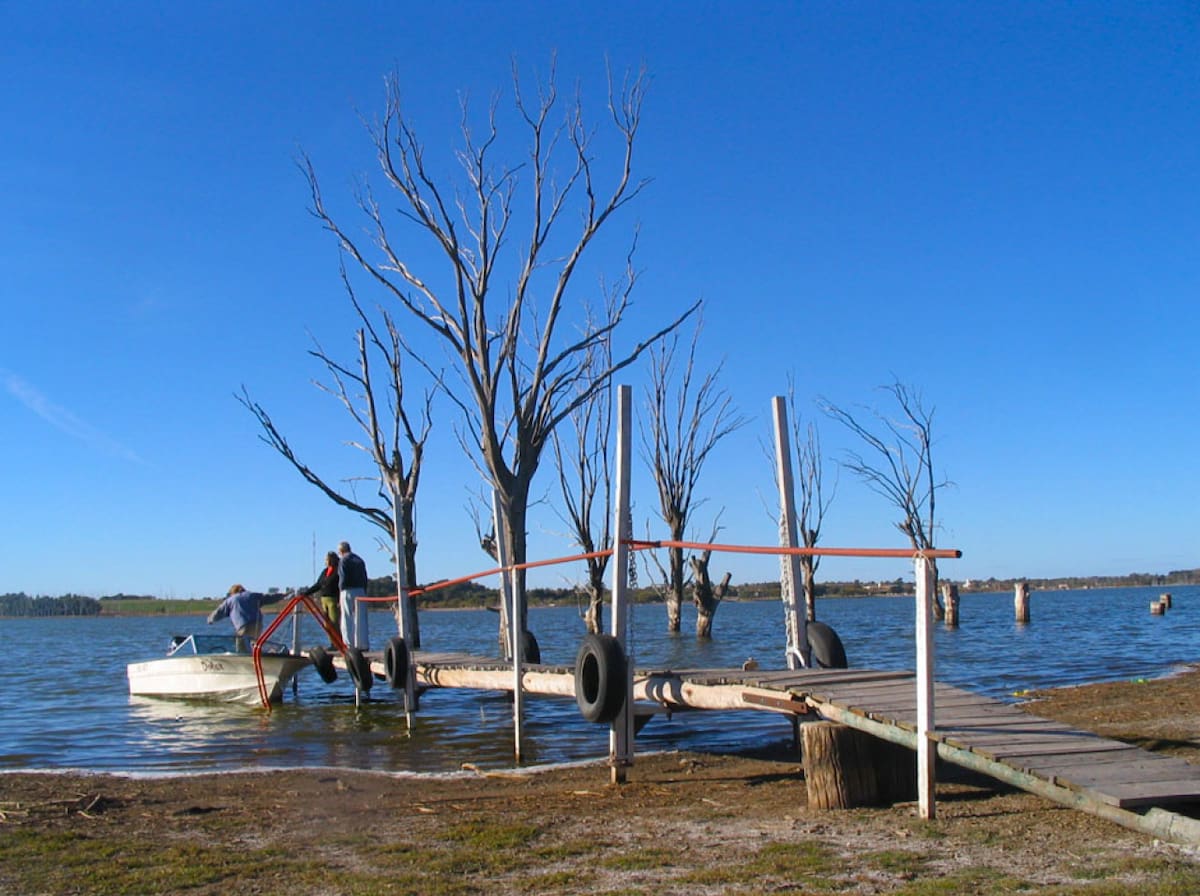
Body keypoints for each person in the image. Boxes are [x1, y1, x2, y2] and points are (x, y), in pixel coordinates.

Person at [207, 584, 287, 652]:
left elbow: (218, 612)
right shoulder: (252, 595)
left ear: (232, 592)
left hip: (244, 626)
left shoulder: (231, 600)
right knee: (254, 644)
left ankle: (244, 662)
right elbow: (270, 597)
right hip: (257, 625)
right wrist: (283, 595)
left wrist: (210, 619)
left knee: (241, 647)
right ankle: (258, 658)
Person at [302, 551, 341, 642]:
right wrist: (306, 593)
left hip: (333, 599)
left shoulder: (338, 570)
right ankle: (332, 642)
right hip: (324, 600)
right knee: (326, 623)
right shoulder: (325, 571)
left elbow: (340, 585)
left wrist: (339, 600)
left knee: (334, 622)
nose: (326, 561)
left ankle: (338, 643)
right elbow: (318, 585)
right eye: (326, 560)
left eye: (327, 559)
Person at [337, 541, 369, 649]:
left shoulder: (343, 560)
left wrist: (340, 590)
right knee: (361, 618)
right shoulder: (359, 560)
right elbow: (365, 576)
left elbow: (343, 577)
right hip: (360, 590)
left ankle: (349, 644)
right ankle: (362, 643)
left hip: (347, 590)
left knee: (346, 617)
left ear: (341, 551)